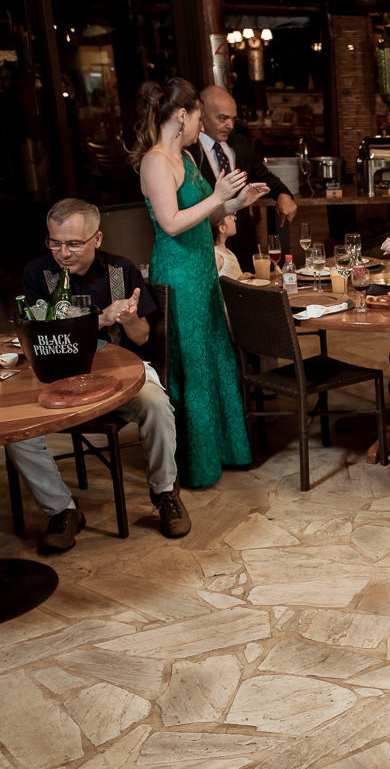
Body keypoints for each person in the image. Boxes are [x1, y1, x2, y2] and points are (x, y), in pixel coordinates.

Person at [8, 199, 191, 554]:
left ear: (97, 238)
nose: (63, 252)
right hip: (58, 378)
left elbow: (141, 339)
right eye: (55, 242)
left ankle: (165, 493)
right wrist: (100, 319)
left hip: (122, 375)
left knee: (157, 404)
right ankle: (62, 510)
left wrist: (128, 318)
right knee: (17, 433)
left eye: (74, 243)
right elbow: (41, 335)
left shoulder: (121, 272)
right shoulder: (37, 273)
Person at [128, 77, 268, 488]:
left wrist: (238, 201)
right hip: (179, 275)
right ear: (182, 115)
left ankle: (226, 453)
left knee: (215, 357)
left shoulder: (188, 159)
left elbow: (204, 215)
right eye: (198, 119)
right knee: (191, 364)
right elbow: (171, 224)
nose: (202, 128)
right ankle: (196, 465)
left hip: (203, 270)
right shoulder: (156, 161)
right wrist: (217, 195)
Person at [189, 85, 295, 269]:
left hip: (243, 243)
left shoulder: (239, 144)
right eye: (222, 118)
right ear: (202, 115)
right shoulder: (189, 151)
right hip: (207, 245)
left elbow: (266, 177)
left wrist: (283, 193)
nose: (230, 125)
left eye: (232, 119)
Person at [213, 213, 251, 280]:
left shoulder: (228, 252)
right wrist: (239, 281)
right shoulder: (216, 255)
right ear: (222, 228)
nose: (235, 218)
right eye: (230, 216)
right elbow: (216, 285)